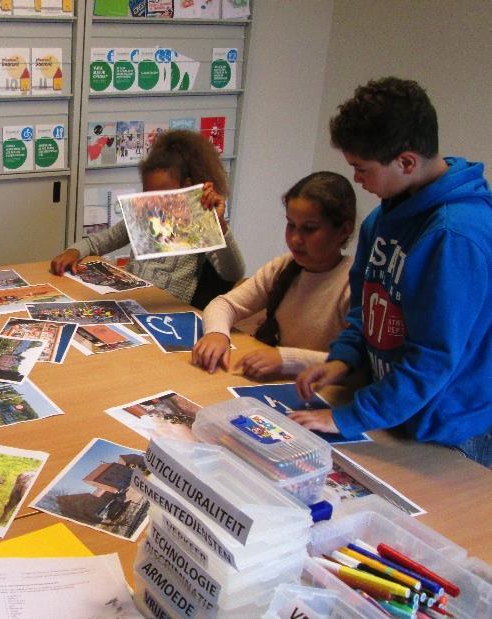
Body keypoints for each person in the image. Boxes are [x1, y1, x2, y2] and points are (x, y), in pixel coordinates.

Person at [292, 77, 492, 466]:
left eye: (362, 168)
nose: (356, 179)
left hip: (449, 430)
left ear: (406, 162)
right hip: (390, 408)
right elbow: (364, 311)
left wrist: (348, 416)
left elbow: (434, 357)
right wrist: (343, 360)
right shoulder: (384, 217)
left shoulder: (456, 236)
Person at [50, 130, 245, 308]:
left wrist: (219, 226)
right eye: (147, 195)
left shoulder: (200, 222)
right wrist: (74, 250)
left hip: (166, 312)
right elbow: (99, 242)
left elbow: (233, 273)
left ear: (186, 186)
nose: (154, 204)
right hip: (131, 301)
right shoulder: (147, 216)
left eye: (161, 195)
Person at [192, 172, 356, 379]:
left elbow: (354, 365)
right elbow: (225, 304)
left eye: (309, 229)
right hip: (282, 381)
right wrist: (217, 333)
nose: (296, 238)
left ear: (344, 230)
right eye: (291, 225)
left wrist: (286, 358)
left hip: (325, 392)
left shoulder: (355, 284)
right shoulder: (284, 266)